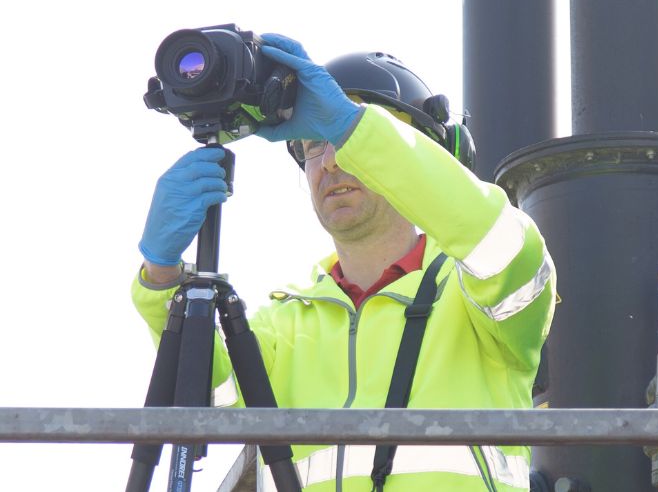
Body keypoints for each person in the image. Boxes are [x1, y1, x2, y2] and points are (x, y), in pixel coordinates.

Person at [132, 33, 556, 492]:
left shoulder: (477, 298)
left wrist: (354, 129)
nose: (330, 161)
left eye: (341, 139)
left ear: (426, 154)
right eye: (312, 144)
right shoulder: (287, 324)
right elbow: (210, 399)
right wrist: (162, 274)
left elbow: (502, 242)